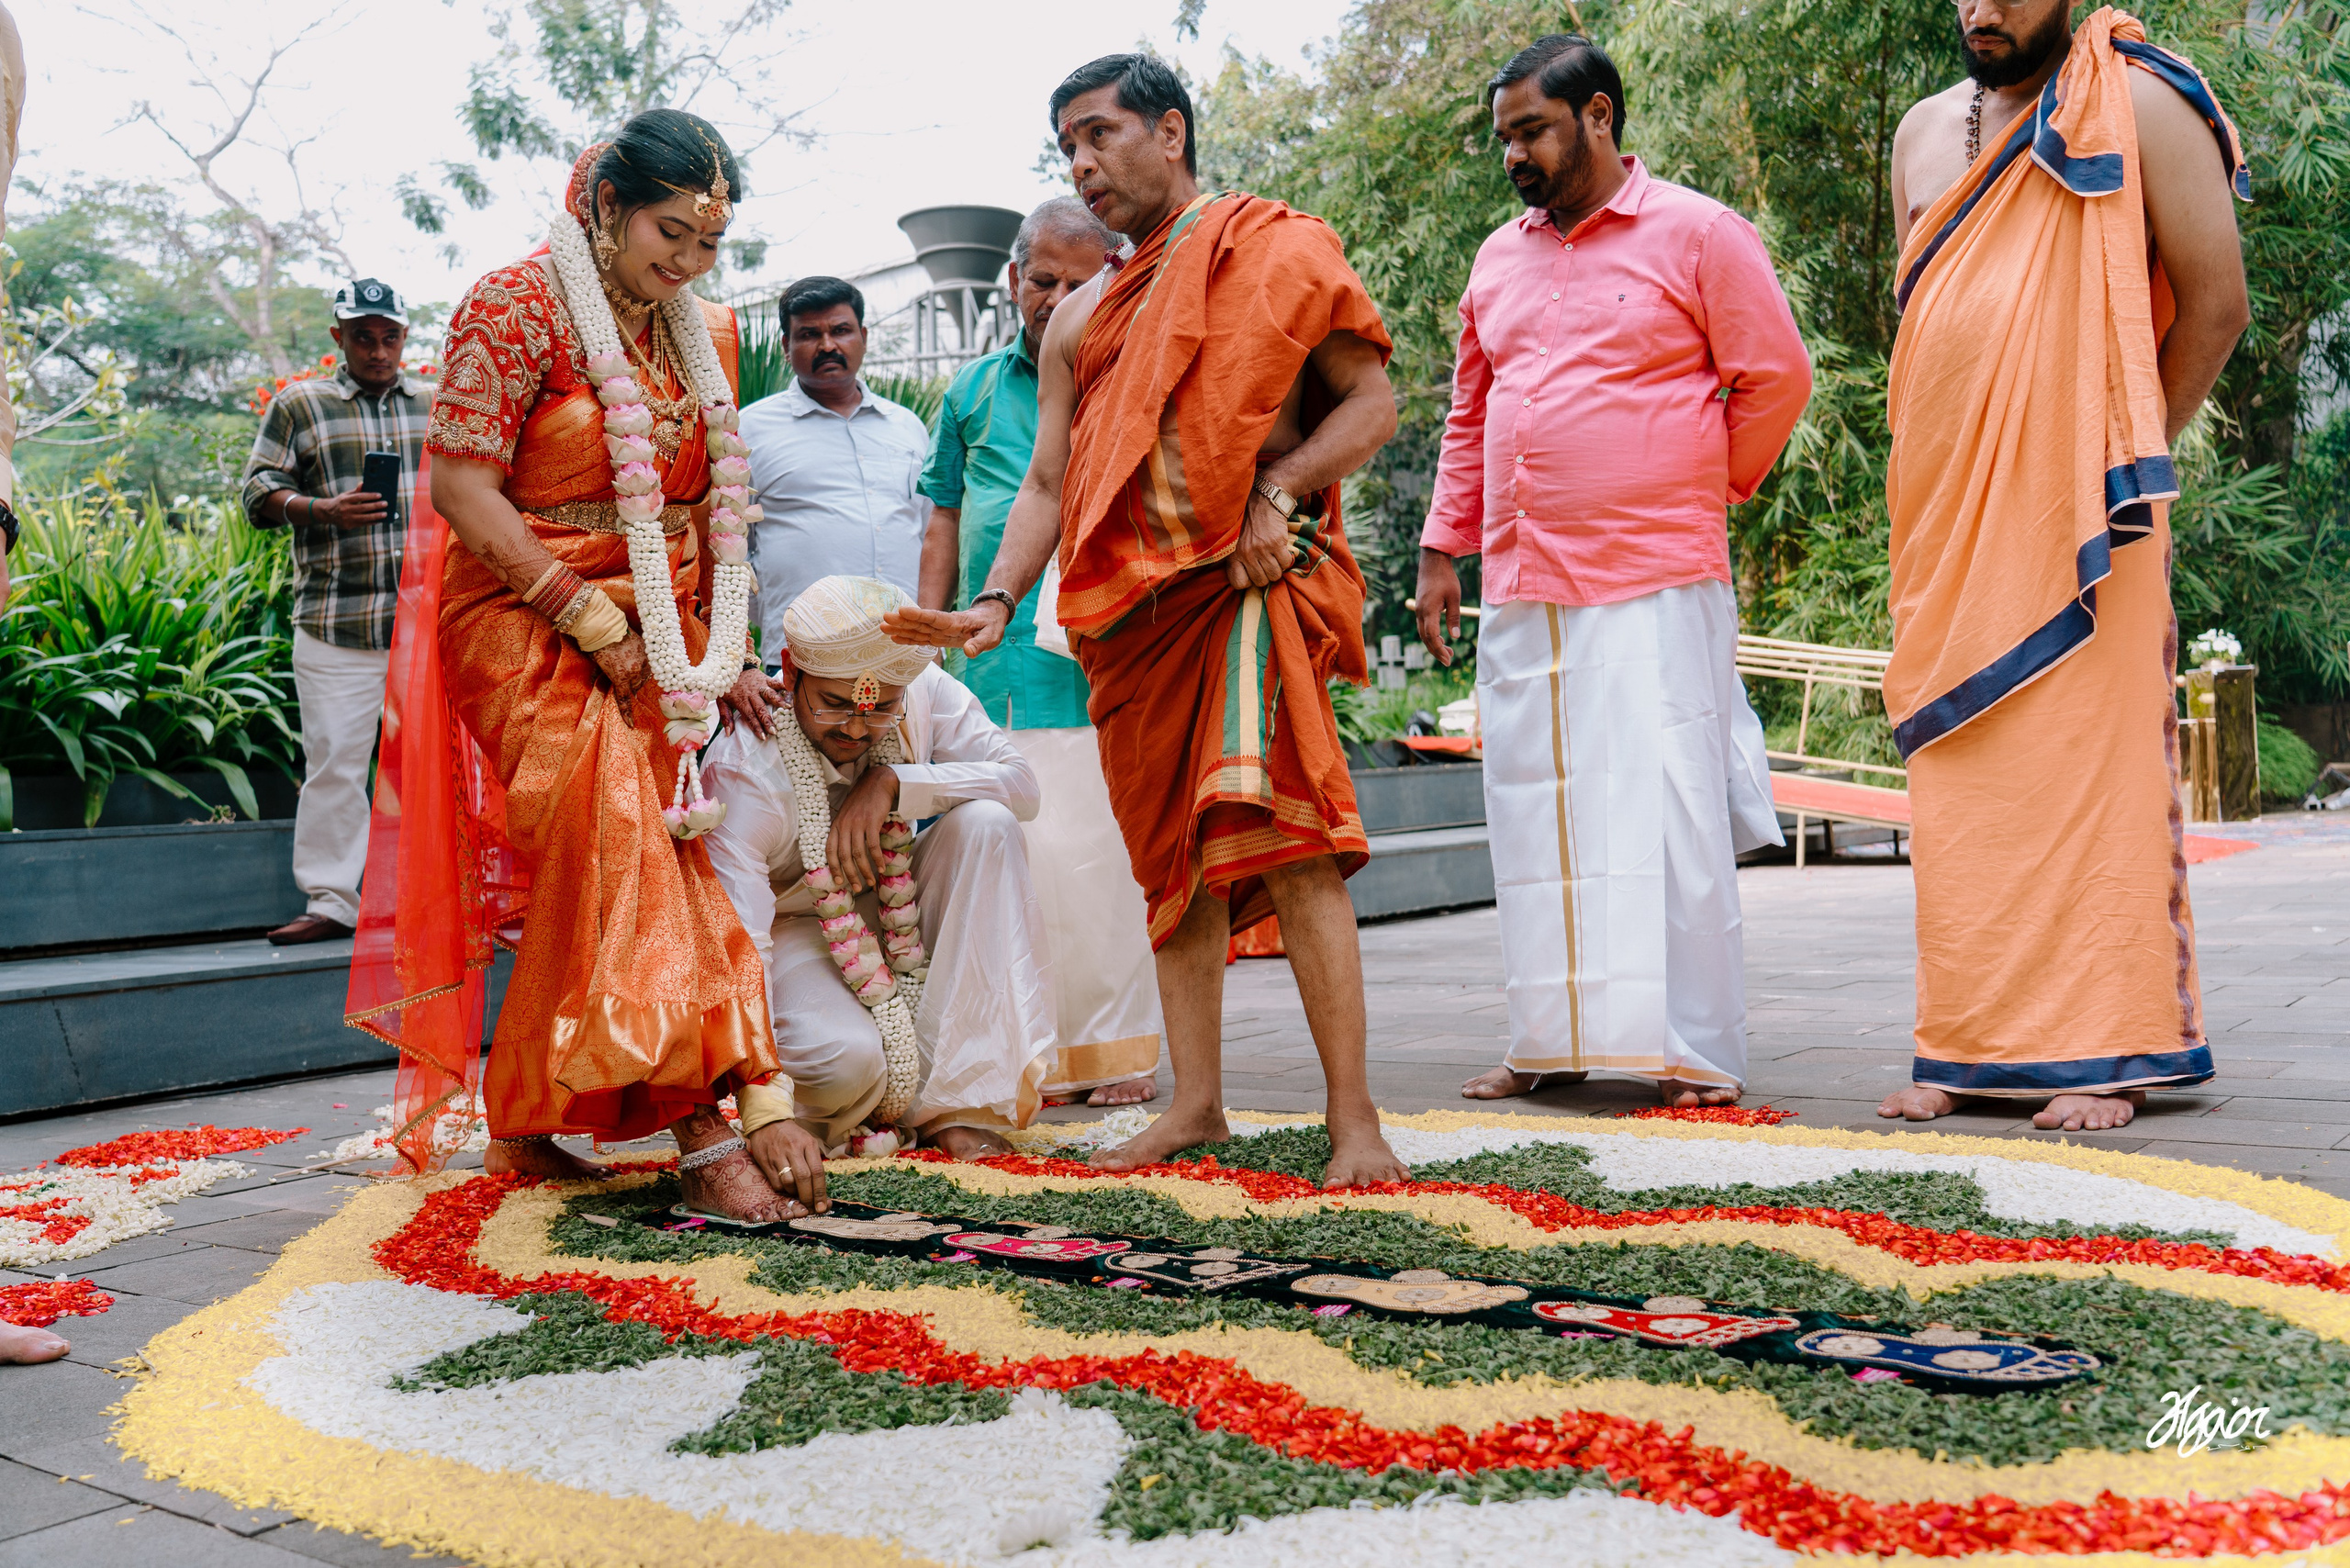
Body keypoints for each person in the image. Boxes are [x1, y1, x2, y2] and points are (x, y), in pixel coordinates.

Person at [886, 54, 1408, 1188]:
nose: (1083, 161)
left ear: (1169, 131)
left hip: (1250, 589)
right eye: (1066, 144)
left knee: (1296, 842)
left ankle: (1354, 1118)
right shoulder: (1080, 315)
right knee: (1172, 868)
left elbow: (1372, 404)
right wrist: (989, 601)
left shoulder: (1278, 247)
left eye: (1100, 133)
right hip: (1130, 623)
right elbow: (1043, 485)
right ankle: (1197, 1103)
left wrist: (1277, 490)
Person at [353, 108, 787, 1219]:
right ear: (604, 207)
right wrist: (591, 622)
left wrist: (704, 648)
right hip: (519, 609)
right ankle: (707, 1126)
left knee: (631, 848)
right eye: (668, 234)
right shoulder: (514, 305)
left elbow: (699, 506)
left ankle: (526, 1115)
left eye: (706, 243)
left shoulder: (706, 332)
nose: (687, 263)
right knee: (613, 828)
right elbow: (461, 491)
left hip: (660, 625)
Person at [1415, 36, 1810, 1110]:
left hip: (1654, 571)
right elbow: (1469, 411)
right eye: (1503, 138)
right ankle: (1547, 1039)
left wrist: (1694, 481)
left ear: (1597, 116)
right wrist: (1440, 544)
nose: (1513, 157)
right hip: (1525, 574)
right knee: (1537, 809)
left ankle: (1690, 1051)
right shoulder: (1499, 256)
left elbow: (1774, 376)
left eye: (1530, 131)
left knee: (1667, 806)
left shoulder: (1699, 232)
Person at [1874, 2, 2248, 1132]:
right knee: (1960, 779)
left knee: (2089, 778)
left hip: (2093, 519)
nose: (1982, 10)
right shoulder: (1920, 132)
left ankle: (2105, 1047)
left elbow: (2217, 306)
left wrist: (2115, 464)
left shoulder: (2138, 98)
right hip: (1943, 509)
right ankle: (1965, 1044)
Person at [703, 576, 1060, 1215]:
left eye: (879, 709)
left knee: (988, 825)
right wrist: (762, 1108)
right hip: (792, 926)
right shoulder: (746, 767)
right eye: (836, 704)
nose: (856, 728)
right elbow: (739, 940)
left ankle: (954, 1104)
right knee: (846, 1064)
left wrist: (895, 782)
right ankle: (832, 1103)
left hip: (896, 905)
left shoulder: (921, 692)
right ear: (791, 671)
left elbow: (1023, 785)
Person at [918, 196, 1163, 1110]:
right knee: (1014, 859)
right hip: (989, 660)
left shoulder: (1127, 370)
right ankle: (1032, 1055)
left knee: (1097, 861)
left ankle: (1118, 1053)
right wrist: (935, 628)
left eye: (1077, 279)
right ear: (1012, 278)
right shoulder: (972, 389)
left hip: (1094, 661)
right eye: (1041, 279)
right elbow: (945, 516)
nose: (1055, 296)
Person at [240, 279, 430, 946]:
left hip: (425, 625)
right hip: (336, 623)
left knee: (435, 769)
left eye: (389, 337)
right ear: (338, 339)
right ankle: (331, 901)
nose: (378, 351)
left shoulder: (438, 406)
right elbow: (258, 488)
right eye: (363, 337)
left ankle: (437, 902)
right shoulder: (302, 405)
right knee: (336, 763)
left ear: (405, 337)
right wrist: (320, 509)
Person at [738, 277, 934, 661]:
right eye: (809, 334)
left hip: (907, 654)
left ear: (862, 335)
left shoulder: (907, 426)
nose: (828, 345)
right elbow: (730, 549)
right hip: (802, 655)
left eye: (840, 330)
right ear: (786, 346)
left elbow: (928, 533)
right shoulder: (750, 429)